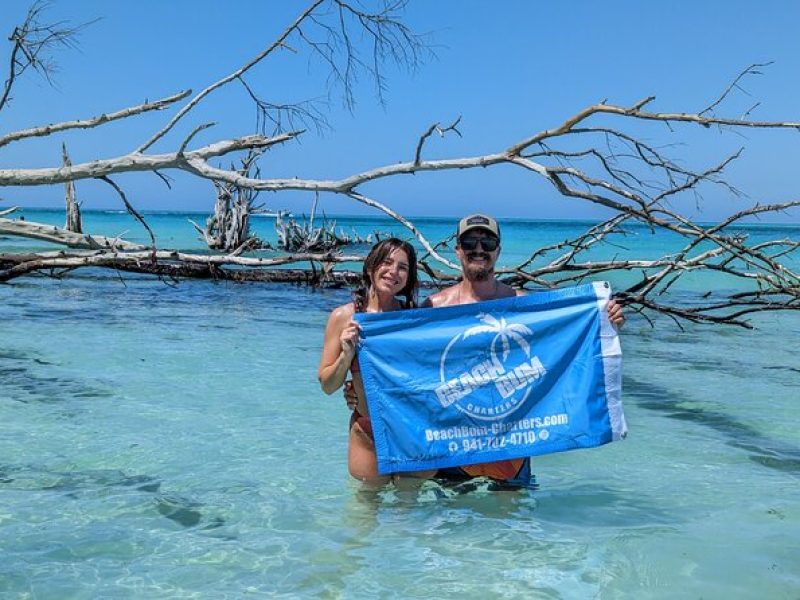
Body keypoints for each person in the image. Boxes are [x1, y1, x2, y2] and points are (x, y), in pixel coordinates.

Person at [343, 214, 625, 485]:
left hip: (511, 445)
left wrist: (603, 321)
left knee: (507, 530)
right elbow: (411, 371)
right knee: (454, 530)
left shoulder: (523, 305)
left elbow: (563, 340)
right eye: (470, 244)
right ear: (457, 251)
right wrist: (362, 386)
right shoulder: (435, 308)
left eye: (487, 243)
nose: (479, 250)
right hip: (451, 445)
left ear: (498, 251)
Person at [318, 237, 437, 485]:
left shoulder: (413, 320)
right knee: (365, 511)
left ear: (409, 277)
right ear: (371, 266)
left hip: (410, 428)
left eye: (403, 267)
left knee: (408, 508)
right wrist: (346, 356)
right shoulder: (344, 317)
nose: (393, 271)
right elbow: (328, 386)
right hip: (367, 428)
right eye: (387, 262)